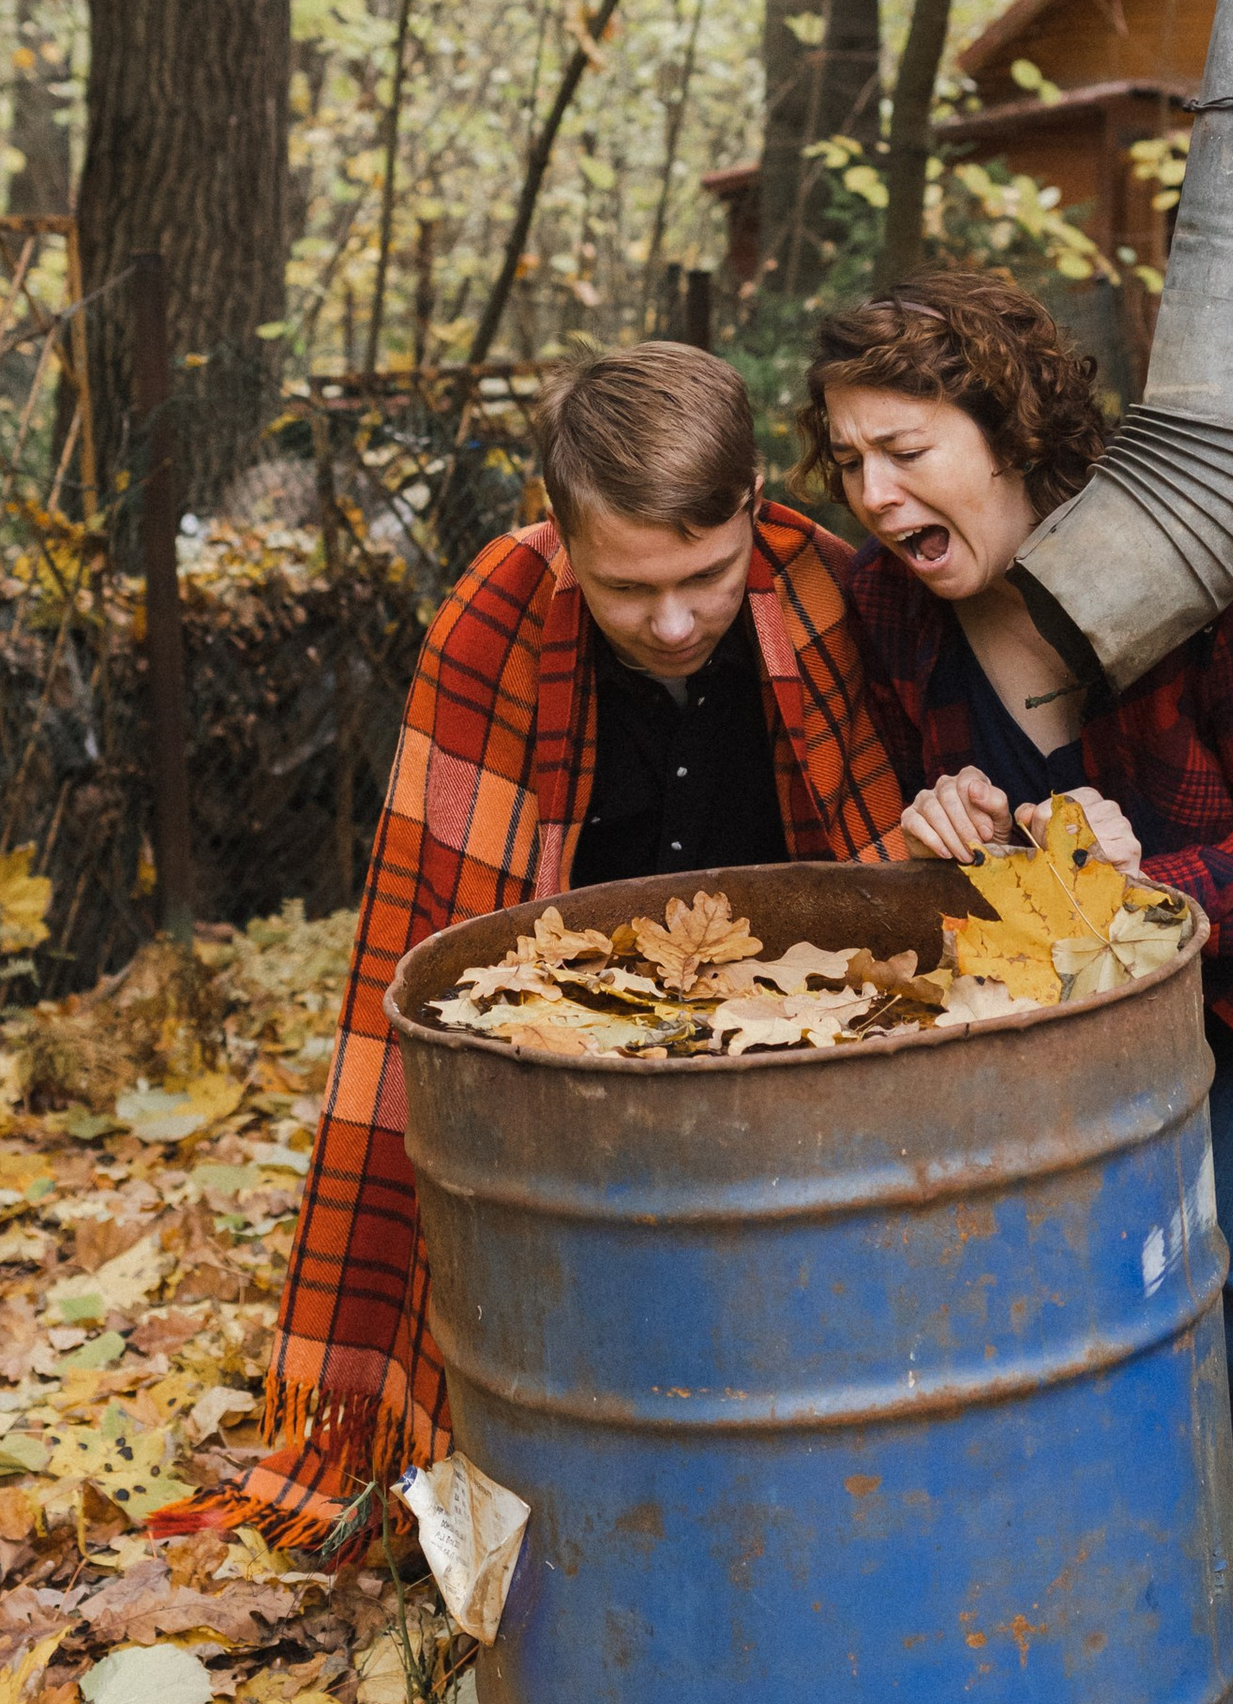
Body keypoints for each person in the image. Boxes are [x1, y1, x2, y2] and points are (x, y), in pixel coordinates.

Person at [802, 269, 1233, 1596]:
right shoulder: (890, 608)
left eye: (907, 453)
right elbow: (976, 854)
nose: (873, 496)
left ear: (1013, 434)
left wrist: (1145, 875)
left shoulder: (1212, 553)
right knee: (1144, 1238)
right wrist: (945, 820)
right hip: (1149, 961)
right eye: (849, 461)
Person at [241, 343, 907, 1549]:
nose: (671, 620)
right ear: (563, 537)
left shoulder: (828, 592)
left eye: (705, 577)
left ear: (754, 499)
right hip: (570, 1065)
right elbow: (439, 941)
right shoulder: (495, 618)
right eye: (624, 589)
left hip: (799, 1053)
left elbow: (887, 881)